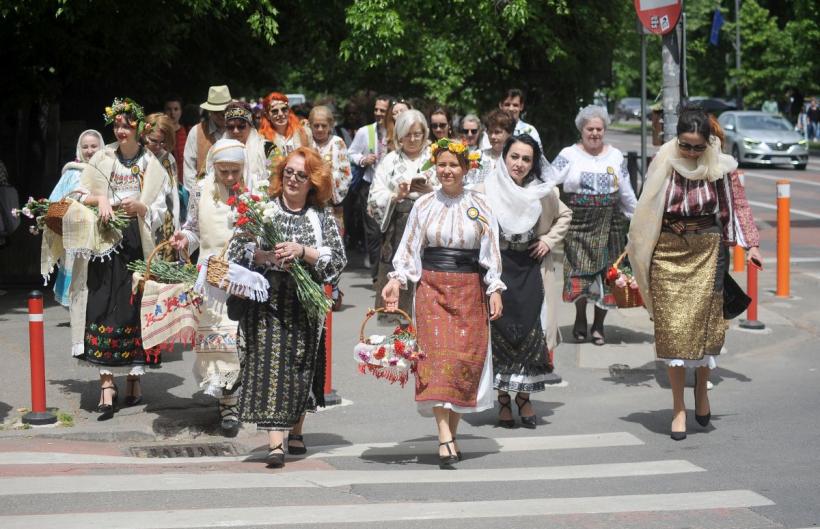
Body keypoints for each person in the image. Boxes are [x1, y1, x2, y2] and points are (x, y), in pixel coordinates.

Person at [628, 105, 761, 440]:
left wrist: (752, 245)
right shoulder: (663, 160)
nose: (689, 152)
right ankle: (678, 408)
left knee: (703, 329)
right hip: (668, 250)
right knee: (671, 331)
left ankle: (701, 389)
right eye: (684, 145)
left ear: (708, 143)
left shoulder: (721, 166)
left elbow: (737, 206)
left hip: (707, 248)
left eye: (696, 147)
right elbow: (646, 207)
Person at [381, 138, 504, 469]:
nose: (447, 170)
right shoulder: (423, 205)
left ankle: (451, 433)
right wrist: (396, 280)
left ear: (465, 169)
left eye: (453, 165)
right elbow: (408, 248)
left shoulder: (481, 205)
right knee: (435, 364)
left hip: (469, 291)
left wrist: (494, 287)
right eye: (442, 164)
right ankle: (444, 436)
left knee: (463, 364)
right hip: (432, 288)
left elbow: (491, 250)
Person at [229, 147, 346, 468]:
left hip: (303, 303)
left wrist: (303, 251)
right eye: (289, 173)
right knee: (268, 364)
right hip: (266, 299)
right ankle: (275, 442)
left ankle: (296, 429)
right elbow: (237, 247)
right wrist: (265, 256)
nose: (293, 179)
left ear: (313, 182)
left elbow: (337, 259)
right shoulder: (262, 209)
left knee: (298, 367)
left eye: (301, 175)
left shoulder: (320, 216)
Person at [76, 98, 167, 420]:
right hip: (104, 240)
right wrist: (100, 198)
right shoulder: (102, 157)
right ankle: (106, 384)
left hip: (135, 242)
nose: (122, 130)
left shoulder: (151, 164)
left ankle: (133, 378)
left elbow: (162, 207)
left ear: (138, 128)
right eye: (117, 125)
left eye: (128, 125)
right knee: (102, 304)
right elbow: (78, 194)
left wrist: (142, 208)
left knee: (133, 307)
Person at [482, 135, 571, 429]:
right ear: (504, 157)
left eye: (526, 159)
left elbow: (565, 215)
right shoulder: (486, 189)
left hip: (530, 269)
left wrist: (547, 239)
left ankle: (524, 397)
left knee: (530, 333)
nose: (519, 164)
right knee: (499, 334)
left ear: (533, 163)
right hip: (498, 270)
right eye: (514, 157)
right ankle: (504, 400)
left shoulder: (541, 191)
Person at [170, 139, 247, 436]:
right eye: (224, 171)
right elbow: (192, 228)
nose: (229, 177)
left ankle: (243, 397)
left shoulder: (253, 191)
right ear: (213, 166)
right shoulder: (201, 190)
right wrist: (183, 241)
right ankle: (228, 404)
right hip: (212, 279)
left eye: (235, 171)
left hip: (244, 277)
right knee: (221, 341)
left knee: (244, 342)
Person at [546, 105, 637, 346]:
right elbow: (548, 181)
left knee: (609, 275)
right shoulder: (569, 154)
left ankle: (598, 325)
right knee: (579, 272)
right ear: (582, 129)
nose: (594, 133)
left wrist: (637, 218)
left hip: (611, 223)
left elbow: (626, 191)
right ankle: (579, 318)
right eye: (590, 129)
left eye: (599, 129)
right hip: (580, 224)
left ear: (605, 130)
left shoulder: (616, 156)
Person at [368, 110, 438, 314]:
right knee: (399, 280)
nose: (413, 139)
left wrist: (431, 191)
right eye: (408, 134)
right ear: (399, 135)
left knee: (426, 281)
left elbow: (452, 186)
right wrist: (395, 196)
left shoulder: (434, 158)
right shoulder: (390, 161)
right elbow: (374, 197)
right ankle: (401, 334)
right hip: (398, 226)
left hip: (429, 226)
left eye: (418, 134)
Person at [48, 129, 104, 306]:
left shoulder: (108, 170)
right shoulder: (72, 172)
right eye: (85, 146)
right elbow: (54, 201)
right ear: (79, 149)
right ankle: (75, 305)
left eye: (94, 146)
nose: (89, 150)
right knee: (75, 266)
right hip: (75, 230)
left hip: (100, 229)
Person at [310, 105, 353, 310]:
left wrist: (326, 181)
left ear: (330, 126)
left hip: (332, 206)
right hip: (308, 204)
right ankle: (315, 290)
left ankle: (334, 289)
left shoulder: (337, 143)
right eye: (315, 125)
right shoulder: (306, 142)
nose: (319, 129)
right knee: (313, 247)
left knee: (333, 248)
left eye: (323, 126)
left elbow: (345, 174)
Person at [347, 95, 391, 277]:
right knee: (373, 232)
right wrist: (363, 159)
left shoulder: (395, 133)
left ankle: (389, 271)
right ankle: (376, 275)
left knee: (388, 231)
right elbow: (351, 153)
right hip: (370, 186)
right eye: (376, 110)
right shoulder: (365, 131)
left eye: (383, 110)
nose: (379, 113)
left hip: (392, 189)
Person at [141, 112, 182, 259]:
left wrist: (176, 227)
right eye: (154, 141)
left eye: (163, 142)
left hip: (163, 223)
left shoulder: (167, 159)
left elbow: (173, 196)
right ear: (144, 134)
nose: (158, 146)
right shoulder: (136, 156)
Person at [182, 85, 231, 192]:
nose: (221, 115)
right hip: (203, 195)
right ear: (209, 111)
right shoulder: (196, 131)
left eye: (224, 111)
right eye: (216, 112)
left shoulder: (239, 130)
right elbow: (189, 170)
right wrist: (198, 197)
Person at [223, 101, 270, 191]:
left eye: (241, 126)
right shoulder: (217, 150)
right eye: (230, 127)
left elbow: (278, 180)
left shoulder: (268, 148)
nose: (235, 131)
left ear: (250, 125)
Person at [258, 92, 312, 166]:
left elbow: (312, 161)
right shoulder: (261, 138)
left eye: (284, 109)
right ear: (267, 115)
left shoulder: (304, 132)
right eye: (274, 111)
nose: (280, 114)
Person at [468, 109, 515, 188]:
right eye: (490, 132)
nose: (492, 136)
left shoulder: (516, 158)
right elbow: (467, 182)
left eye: (497, 132)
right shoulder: (477, 156)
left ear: (509, 133)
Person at [164, 95, 188, 172]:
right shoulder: (159, 133)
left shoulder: (187, 131)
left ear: (181, 111)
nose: (172, 113)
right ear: (164, 111)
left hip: (184, 179)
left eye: (176, 109)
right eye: (169, 109)